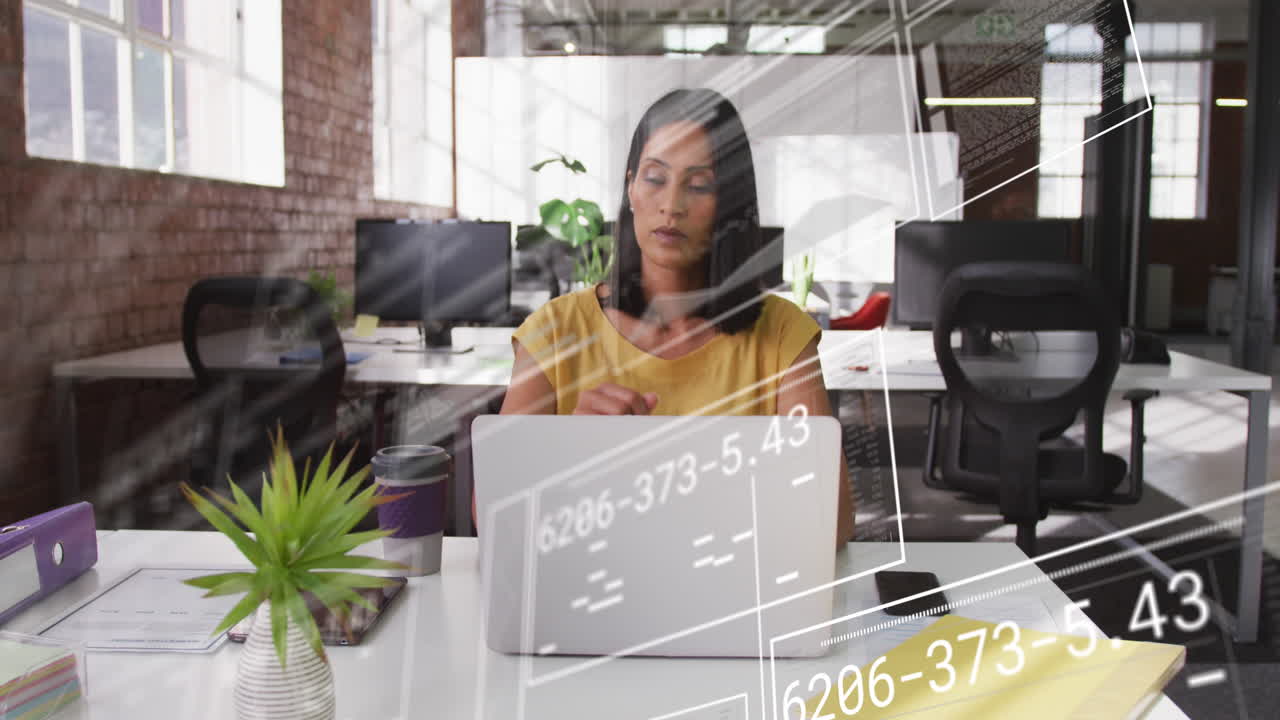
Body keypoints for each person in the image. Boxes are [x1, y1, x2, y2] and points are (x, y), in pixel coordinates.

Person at [500, 88, 853, 544]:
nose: (672, 205)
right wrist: (571, 449)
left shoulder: (782, 333)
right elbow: (490, 514)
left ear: (729, 205)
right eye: (654, 177)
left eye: (699, 184)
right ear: (631, 187)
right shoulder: (555, 330)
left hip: (731, 587)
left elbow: (834, 523)